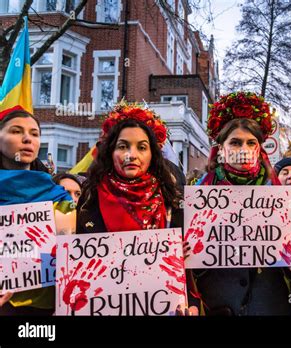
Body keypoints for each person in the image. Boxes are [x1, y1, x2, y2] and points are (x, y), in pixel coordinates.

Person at [188, 91, 291, 315]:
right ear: (222, 149)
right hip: (218, 305)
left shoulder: (277, 194)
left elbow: (286, 264)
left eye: (251, 143)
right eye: (235, 143)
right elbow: (194, 266)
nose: (244, 150)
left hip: (270, 306)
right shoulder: (200, 194)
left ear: (259, 149)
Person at [0, 105, 74, 315]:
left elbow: (68, 253)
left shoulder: (59, 197)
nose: (27, 139)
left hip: (47, 309)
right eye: (16, 131)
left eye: (34, 134)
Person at [76, 101, 182, 233]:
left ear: (152, 154)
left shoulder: (172, 197)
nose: (131, 155)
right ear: (110, 152)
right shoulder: (89, 196)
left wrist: (184, 250)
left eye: (142, 147)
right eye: (122, 146)